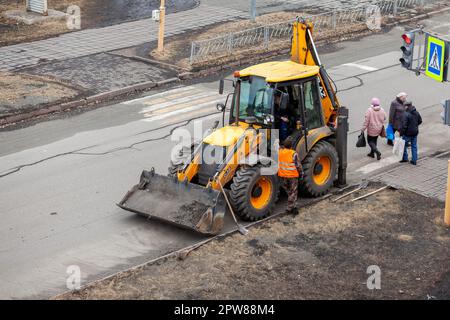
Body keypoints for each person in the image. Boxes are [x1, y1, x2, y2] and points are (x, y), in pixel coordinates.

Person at [278, 138, 303, 215]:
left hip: (283, 175)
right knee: (293, 192)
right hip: (292, 176)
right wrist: (301, 173)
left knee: (289, 191)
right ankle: (291, 208)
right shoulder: (293, 154)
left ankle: (291, 205)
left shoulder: (280, 152)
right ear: (291, 146)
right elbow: (298, 165)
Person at [400, 101, 422, 165]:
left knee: (403, 145)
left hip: (407, 134)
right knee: (414, 146)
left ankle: (405, 158)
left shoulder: (406, 114)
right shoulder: (416, 112)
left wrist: (401, 133)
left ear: (407, 106)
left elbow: (404, 126)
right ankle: (414, 160)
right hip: (415, 132)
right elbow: (420, 121)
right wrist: (415, 125)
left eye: (404, 106)